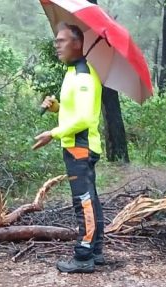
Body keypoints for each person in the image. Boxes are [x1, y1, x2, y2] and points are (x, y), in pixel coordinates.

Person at [33, 23, 106, 273]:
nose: (56, 46)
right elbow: (75, 111)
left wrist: (52, 133)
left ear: (77, 43)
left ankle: (84, 256)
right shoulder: (74, 72)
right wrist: (57, 108)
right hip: (78, 146)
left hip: (80, 147)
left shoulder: (84, 76)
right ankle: (96, 251)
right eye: (56, 41)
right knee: (90, 199)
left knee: (83, 201)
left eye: (61, 41)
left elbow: (84, 119)